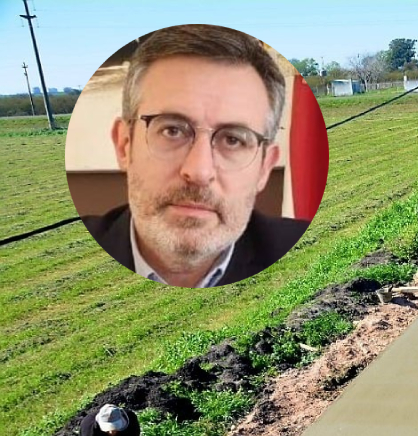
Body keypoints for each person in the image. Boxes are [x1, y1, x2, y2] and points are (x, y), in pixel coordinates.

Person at [80, 24, 310, 288]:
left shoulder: (311, 252)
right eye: (172, 130)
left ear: (264, 168)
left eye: (233, 139)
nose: (199, 172)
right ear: (124, 145)